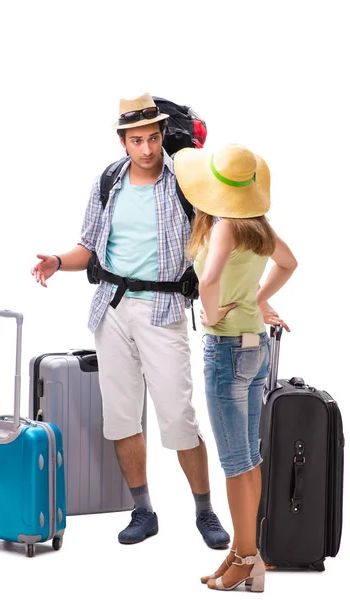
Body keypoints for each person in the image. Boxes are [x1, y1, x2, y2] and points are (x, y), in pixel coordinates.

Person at [31, 92, 231, 548]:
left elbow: (218, 242)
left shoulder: (184, 184)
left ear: (164, 137)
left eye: (154, 138)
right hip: (112, 310)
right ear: (123, 142)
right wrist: (58, 262)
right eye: (137, 140)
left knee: (179, 418)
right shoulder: (108, 183)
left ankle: (205, 511)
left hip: (163, 313)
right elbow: (89, 247)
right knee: (121, 419)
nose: (146, 149)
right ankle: (143, 510)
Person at [174, 143, 297, 592]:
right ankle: (247, 552)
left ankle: (246, 557)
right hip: (256, 349)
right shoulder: (258, 227)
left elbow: (207, 282)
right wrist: (259, 301)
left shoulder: (225, 225)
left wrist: (208, 313)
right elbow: (289, 263)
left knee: (234, 462)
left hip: (226, 350)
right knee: (248, 458)